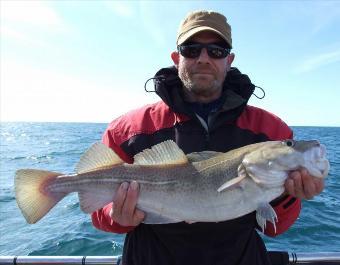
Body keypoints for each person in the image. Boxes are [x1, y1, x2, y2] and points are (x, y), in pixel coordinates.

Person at [92, 10, 324, 265]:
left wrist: (291, 194)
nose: (203, 59)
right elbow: (99, 214)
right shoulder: (128, 129)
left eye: (216, 51)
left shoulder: (270, 130)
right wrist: (117, 215)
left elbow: (274, 228)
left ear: (229, 60)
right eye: (191, 49)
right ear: (176, 58)